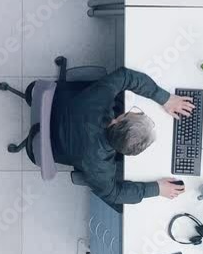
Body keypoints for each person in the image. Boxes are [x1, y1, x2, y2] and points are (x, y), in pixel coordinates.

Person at [50, 67, 194, 204]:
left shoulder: (99, 99)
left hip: (55, 104)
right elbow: (113, 194)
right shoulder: (100, 166)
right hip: (53, 146)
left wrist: (165, 98)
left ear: (116, 120)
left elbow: (125, 76)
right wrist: (156, 189)